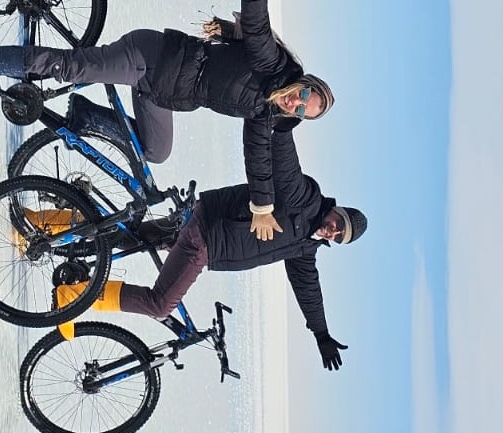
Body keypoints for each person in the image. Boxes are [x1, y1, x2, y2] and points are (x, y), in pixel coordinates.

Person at [0, 0, 332, 240]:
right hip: (152, 57)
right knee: (69, 67)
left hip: (161, 93)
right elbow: (258, 28)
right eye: (303, 95)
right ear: (303, 83)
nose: (295, 103)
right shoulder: (272, 66)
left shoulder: (263, 113)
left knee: (157, 151)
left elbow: (259, 159)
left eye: (302, 110)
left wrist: (262, 208)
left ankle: (86, 116)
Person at [54, 125, 367, 372]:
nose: (334, 230)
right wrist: (284, 128)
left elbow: (308, 288)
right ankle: (75, 296)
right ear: (336, 210)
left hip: (203, 224)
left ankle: (48, 227)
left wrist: (321, 333)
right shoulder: (307, 199)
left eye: (339, 236)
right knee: (160, 304)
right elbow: (285, 166)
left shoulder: (306, 246)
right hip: (206, 236)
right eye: (338, 223)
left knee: (131, 235)